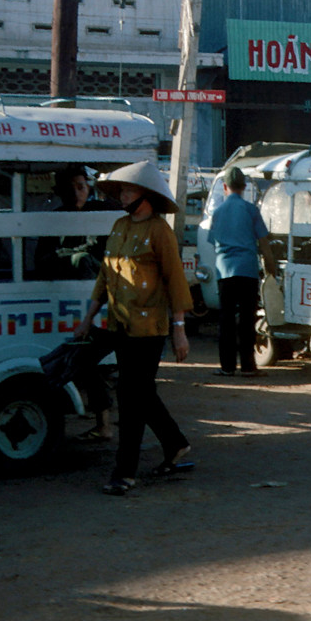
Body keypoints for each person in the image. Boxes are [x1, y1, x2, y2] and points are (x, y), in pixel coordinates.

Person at [76, 160, 194, 496]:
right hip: (119, 324)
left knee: (130, 398)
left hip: (150, 330)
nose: (123, 194)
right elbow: (105, 276)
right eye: (122, 189)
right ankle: (175, 445)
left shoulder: (160, 231)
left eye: (128, 189)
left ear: (146, 195)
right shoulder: (119, 225)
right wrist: (88, 318)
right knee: (140, 393)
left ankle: (124, 473)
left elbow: (176, 282)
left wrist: (179, 328)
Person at [37, 164, 121, 441]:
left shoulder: (101, 214)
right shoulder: (55, 220)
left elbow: (102, 259)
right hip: (63, 305)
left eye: (81, 186)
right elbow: (42, 261)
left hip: (97, 305)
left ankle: (104, 423)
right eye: (70, 188)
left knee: (89, 361)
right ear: (58, 191)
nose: (76, 193)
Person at [207, 165, 277, 377]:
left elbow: (213, 242)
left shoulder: (217, 213)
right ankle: (248, 366)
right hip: (247, 271)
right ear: (244, 187)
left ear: (225, 186)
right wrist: (271, 268)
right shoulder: (251, 210)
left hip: (225, 272)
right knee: (247, 320)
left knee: (226, 320)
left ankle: (227, 367)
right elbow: (264, 244)